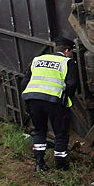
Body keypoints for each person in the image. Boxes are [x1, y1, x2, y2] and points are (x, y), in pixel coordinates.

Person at [20, 37, 77, 172]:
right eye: (71, 52)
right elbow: (72, 84)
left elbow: (24, 83)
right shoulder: (67, 62)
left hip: (33, 99)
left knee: (39, 130)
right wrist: (66, 98)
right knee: (60, 133)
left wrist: (27, 101)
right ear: (67, 51)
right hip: (54, 101)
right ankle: (61, 165)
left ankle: (39, 163)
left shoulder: (37, 60)